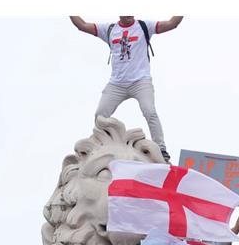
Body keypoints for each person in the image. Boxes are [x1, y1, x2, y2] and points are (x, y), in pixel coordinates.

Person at [69, 15, 183, 161]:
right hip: (117, 84)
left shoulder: (144, 26)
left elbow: (172, 23)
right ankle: (103, 146)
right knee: (100, 116)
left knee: (150, 111)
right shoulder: (109, 29)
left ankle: (161, 149)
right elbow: (82, 25)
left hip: (140, 81)